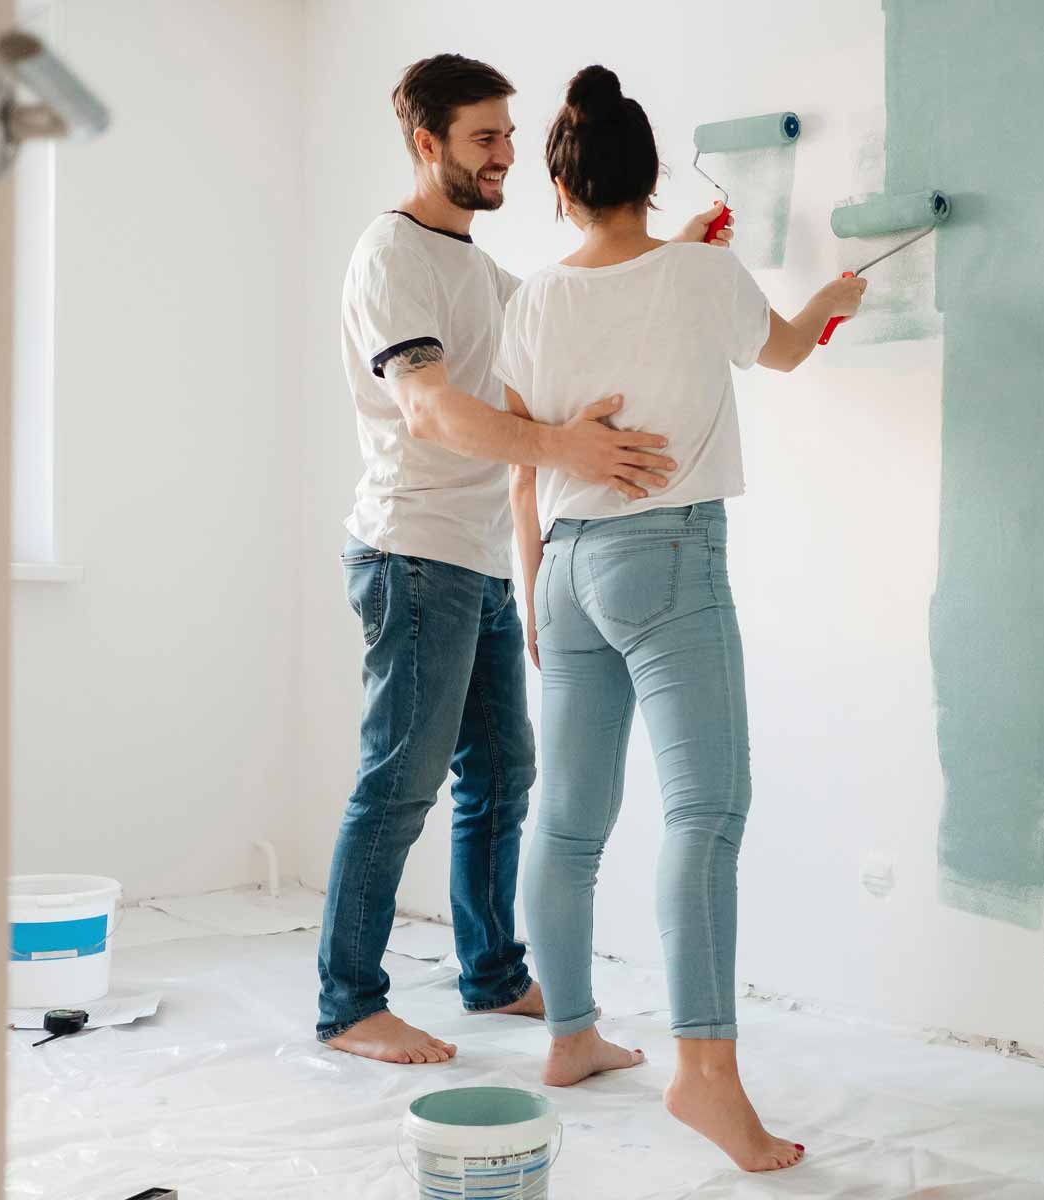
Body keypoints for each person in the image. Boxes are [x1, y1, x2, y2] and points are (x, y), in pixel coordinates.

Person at [317, 53, 733, 1066]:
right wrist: (560, 449)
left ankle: (494, 971)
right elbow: (430, 406)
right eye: (485, 138)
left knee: (503, 776)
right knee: (401, 779)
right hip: (412, 550)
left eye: (510, 134)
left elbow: (565, 328)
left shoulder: (484, 271)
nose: (506, 153)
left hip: (485, 558)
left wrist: (669, 252)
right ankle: (348, 1001)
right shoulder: (392, 256)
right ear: (428, 145)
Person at [499, 65, 867, 1171]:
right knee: (706, 813)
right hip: (666, 561)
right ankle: (704, 1075)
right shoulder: (703, 276)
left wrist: (530, 594)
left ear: (562, 192)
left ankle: (569, 1038)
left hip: (560, 565)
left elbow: (523, 465)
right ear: (650, 180)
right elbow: (787, 348)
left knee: (564, 821)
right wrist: (833, 300)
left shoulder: (531, 300)